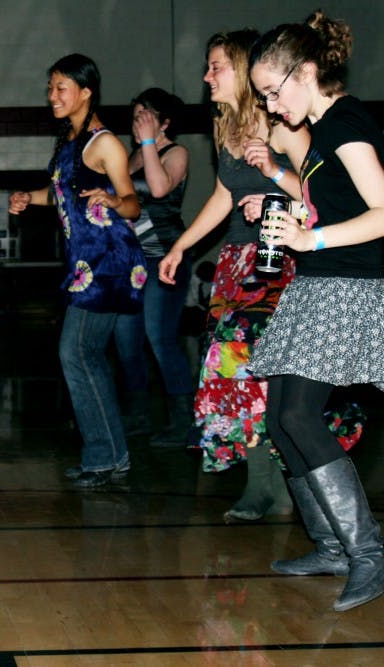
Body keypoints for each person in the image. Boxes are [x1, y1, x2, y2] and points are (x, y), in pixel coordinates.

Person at [247, 11, 384, 612]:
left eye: (275, 92)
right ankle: (331, 544)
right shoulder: (324, 133)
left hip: (348, 288)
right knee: (282, 418)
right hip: (319, 284)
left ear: (307, 73)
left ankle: (368, 554)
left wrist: (313, 239)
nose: (273, 109)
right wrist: (298, 217)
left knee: (300, 416)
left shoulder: (347, 122)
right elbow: (337, 210)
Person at [158, 30, 309, 521]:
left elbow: (321, 194)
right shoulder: (228, 129)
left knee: (265, 375)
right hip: (237, 265)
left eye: (216, 66)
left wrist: (278, 196)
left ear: (244, 69)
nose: (207, 77)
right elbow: (223, 198)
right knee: (233, 373)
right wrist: (180, 246)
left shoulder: (282, 125)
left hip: (281, 262)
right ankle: (262, 484)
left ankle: (280, 487)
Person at [9, 54, 146, 488]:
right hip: (86, 263)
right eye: (50, 88)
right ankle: (109, 455)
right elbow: (65, 197)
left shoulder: (105, 143)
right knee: (84, 355)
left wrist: (112, 201)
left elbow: (132, 202)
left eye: (61, 88)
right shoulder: (69, 140)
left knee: (76, 352)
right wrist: (30, 198)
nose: (53, 96)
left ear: (86, 92)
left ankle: (106, 456)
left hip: (109, 261)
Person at [112, 88, 195, 447]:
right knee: (126, 342)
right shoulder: (130, 155)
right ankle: (140, 416)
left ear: (164, 122)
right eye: (134, 116)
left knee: (159, 338)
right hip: (131, 262)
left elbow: (159, 189)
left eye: (145, 116)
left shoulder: (176, 152)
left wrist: (148, 141)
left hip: (165, 258)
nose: (137, 123)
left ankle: (183, 422)